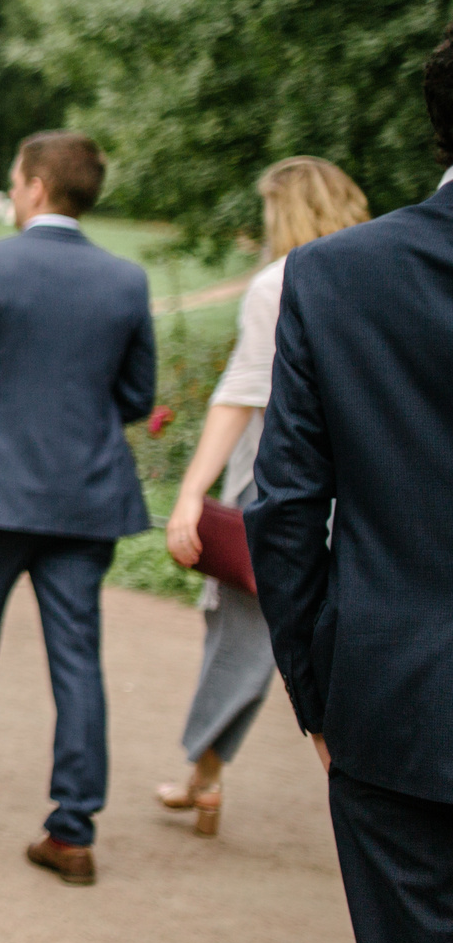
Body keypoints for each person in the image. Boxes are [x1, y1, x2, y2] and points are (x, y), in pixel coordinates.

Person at [248, 29, 453, 943]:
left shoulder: (342, 276)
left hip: (399, 704)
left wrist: (319, 687)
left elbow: (286, 510)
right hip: (393, 707)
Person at [0, 131, 156, 886]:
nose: (13, 192)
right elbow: (137, 397)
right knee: (77, 657)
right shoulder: (125, 280)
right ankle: (73, 827)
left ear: (38, 187)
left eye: (16, 180)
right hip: (85, 496)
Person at [157, 158, 367, 834]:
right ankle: (205, 776)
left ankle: (347, 789)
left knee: (247, 639)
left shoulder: (281, 283)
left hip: (277, 492)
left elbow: (242, 396)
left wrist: (191, 494)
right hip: (359, 492)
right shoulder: (375, 273)